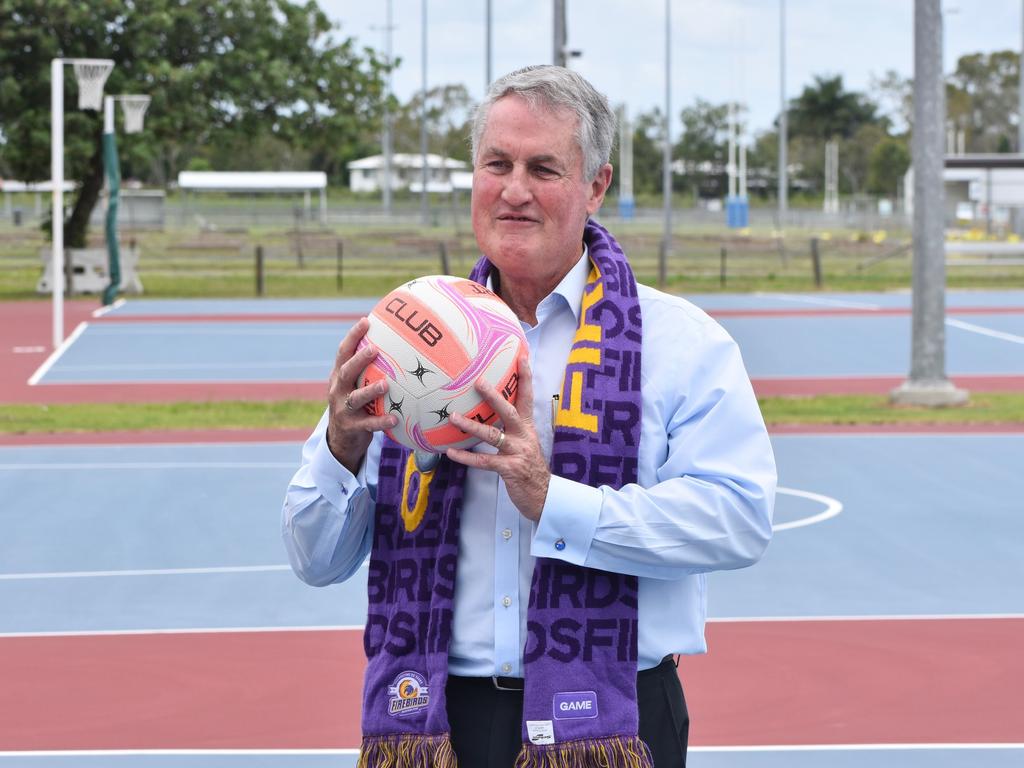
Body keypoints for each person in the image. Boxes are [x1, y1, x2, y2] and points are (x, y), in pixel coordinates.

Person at [282, 65, 776, 768]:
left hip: (617, 721)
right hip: (433, 723)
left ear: (596, 185)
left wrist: (553, 502)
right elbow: (314, 559)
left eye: (543, 168)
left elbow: (739, 519)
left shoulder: (680, 342)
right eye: (497, 164)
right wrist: (340, 447)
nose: (514, 191)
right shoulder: (403, 338)